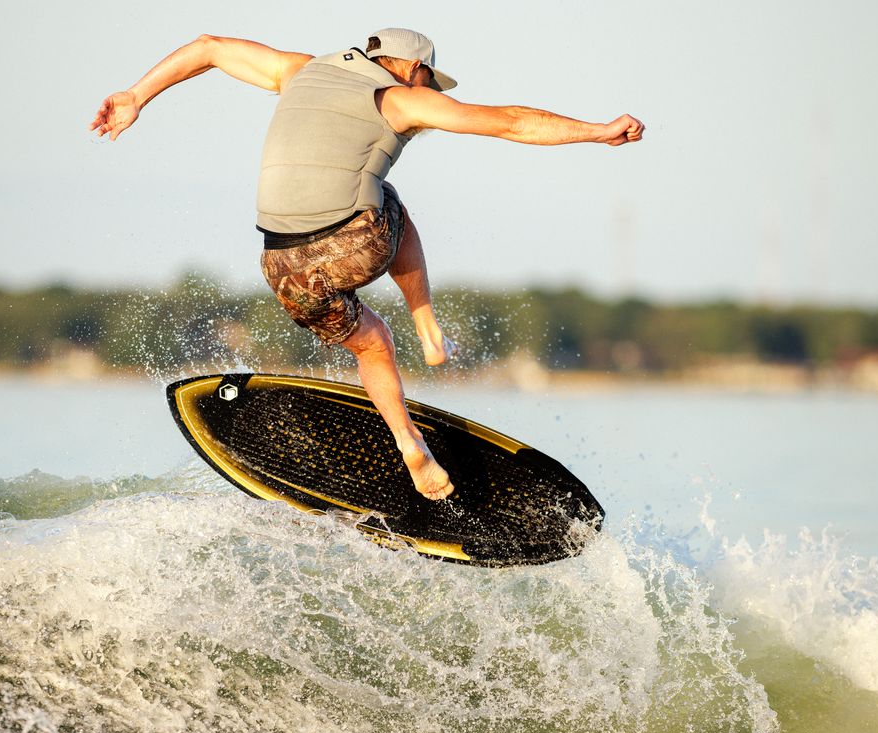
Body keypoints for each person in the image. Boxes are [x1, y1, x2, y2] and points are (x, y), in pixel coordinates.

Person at [91, 28, 643, 501]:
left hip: (281, 267)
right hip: (351, 247)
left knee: (371, 341)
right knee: (390, 199)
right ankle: (427, 324)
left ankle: (409, 442)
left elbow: (209, 47)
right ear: (413, 69)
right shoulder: (398, 97)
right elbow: (511, 122)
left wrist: (137, 95)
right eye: (428, 80)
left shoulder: (298, 71)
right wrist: (596, 131)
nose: (426, 93)